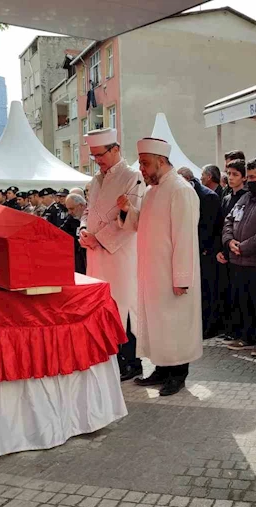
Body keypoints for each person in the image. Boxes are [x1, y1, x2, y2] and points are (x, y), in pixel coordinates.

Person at [119, 137, 202, 396]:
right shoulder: (152, 190)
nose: (141, 169)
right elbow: (139, 225)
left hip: (171, 274)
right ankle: (161, 369)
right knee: (157, 325)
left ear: (161, 161)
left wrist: (182, 277)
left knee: (174, 324)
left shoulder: (180, 189)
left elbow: (185, 238)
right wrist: (127, 210)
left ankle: (178, 374)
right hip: (151, 273)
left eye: (145, 163)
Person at [79, 128, 146, 382]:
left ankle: (132, 361)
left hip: (120, 254)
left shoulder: (133, 177)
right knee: (102, 306)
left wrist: (99, 238)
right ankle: (110, 359)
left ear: (116, 149)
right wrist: (83, 229)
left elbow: (131, 221)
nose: (98, 160)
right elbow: (88, 212)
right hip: (96, 253)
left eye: (100, 155)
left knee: (124, 306)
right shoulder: (95, 181)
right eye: (94, 156)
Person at [222, 159, 256, 356]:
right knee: (243, 301)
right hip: (237, 260)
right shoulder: (245, 198)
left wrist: (243, 247)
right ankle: (246, 336)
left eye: (253, 178)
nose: (250, 181)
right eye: (249, 177)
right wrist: (229, 241)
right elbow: (229, 220)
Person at [178, 167, 221, 338]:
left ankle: (208, 327)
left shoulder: (207, 196)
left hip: (206, 251)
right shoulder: (188, 193)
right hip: (193, 249)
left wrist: (202, 248)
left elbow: (208, 228)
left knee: (207, 291)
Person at [216, 160, 247, 342]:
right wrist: (221, 249)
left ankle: (240, 329)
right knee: (229, 292)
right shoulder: (227, 198)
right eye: (229, 173)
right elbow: (223, 225)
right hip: (226, 250)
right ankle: (231, 327)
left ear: (243, 177)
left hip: (240, 251)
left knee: (241, 293)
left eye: (235, 174)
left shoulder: (247, 197)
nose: (231, 177)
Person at [62, 193, 87, 274]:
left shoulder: (92, 216)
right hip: (77, 259)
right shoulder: (71, 218)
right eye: (68, 209)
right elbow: (61, 231)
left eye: (72, 209)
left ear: (81, 206)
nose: (69, 212)